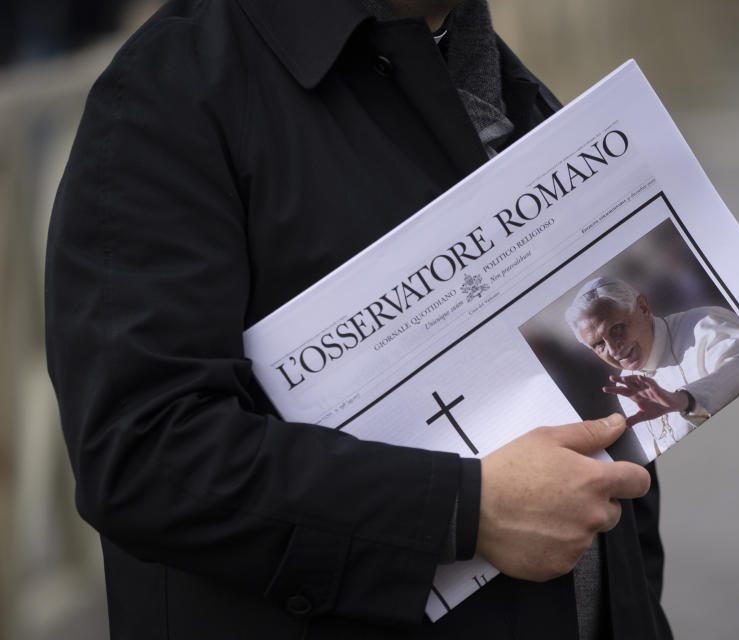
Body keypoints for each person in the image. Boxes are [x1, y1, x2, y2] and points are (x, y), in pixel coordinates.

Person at [45, 1, 671, 638]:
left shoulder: (493, 72)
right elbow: (143, 453)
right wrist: (464, 510)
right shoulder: (171, 89)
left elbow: (611, 446)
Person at [566, 276, 739, 465]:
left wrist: (684, 401)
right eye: (598, 345)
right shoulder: (626, 384)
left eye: (617, 329)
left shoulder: (704, 324)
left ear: (643, 308)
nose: (613, 349)